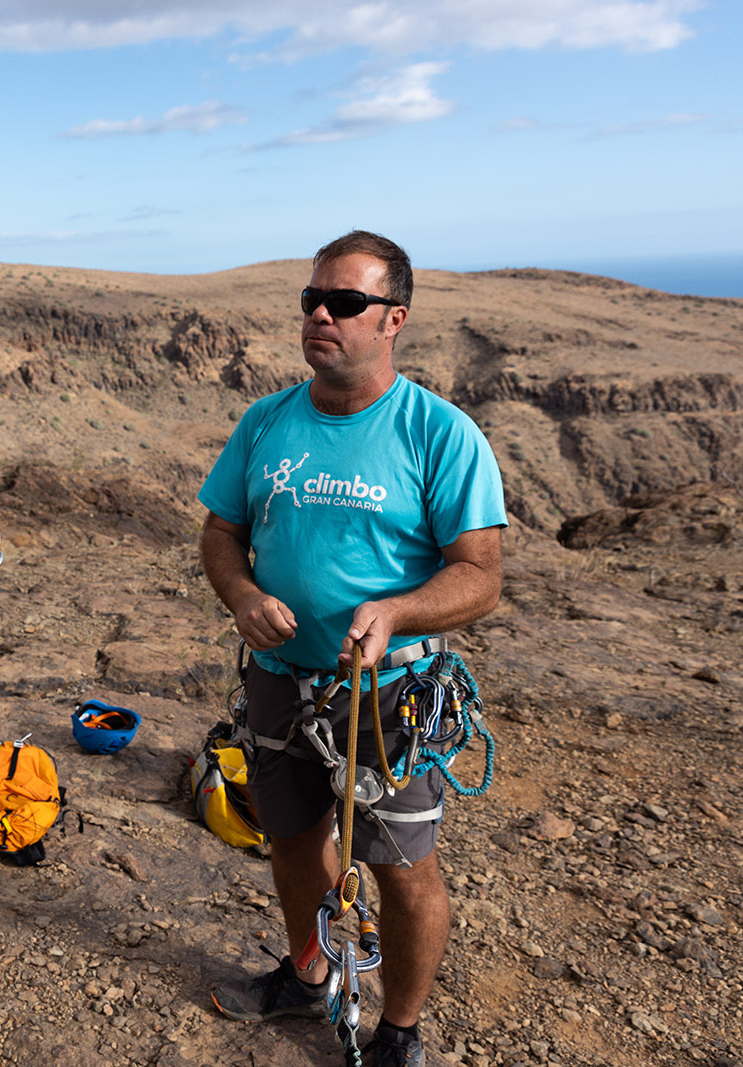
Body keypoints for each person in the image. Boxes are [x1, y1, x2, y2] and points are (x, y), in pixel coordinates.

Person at [198, 231, 506, 1067]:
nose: (320, 316)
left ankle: (398, 1030)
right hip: (277, 681)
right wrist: (242, 595)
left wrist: (399, 610)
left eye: (345, 302)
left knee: (401, 866)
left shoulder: (439, 433)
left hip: (391, 696)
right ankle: (311, 978)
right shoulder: (266, 421)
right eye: (311, 300)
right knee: (294, 837)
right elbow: (221, 531)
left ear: (394, 318)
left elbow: (480, 575)